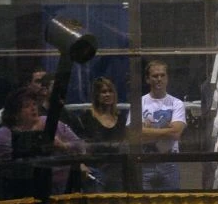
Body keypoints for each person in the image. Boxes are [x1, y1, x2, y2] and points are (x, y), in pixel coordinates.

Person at [0, 87, 86, 195]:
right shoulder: (5, 135)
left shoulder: (50, 123)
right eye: (26, 106)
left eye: (34, 104)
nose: (33, 108)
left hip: (65, 187)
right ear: (15, 114)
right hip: (25, 192)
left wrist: (63, 146)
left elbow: (81, 146)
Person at [133, 60, 186, 191]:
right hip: (145, 162)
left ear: (167, 78)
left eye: (162, 75)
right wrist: (166, 130)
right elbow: (134, 134)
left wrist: (148, 130)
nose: (159, 79)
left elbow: (176, 133)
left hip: (170, 162)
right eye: (155, 76)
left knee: (171, 202)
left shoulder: (177, 103)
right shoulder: (139, 103)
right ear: (147, 79)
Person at [77, 76, 128, 192]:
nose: (107, 95)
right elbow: (79, 143)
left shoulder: (121, 118)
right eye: (103, 92)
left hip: (117, 172)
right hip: (95, 170)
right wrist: (81, 164)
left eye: (110, 91)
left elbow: (125, 143)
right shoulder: (87, 117)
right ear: (97, 95)